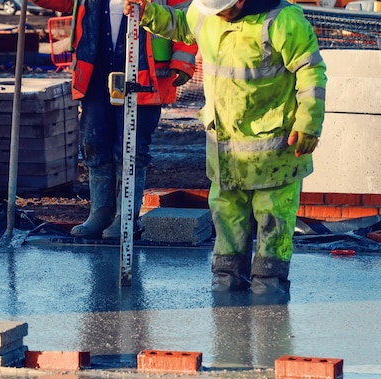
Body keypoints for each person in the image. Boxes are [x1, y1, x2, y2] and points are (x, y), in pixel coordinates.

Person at [124, 0, 327, 295]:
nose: (216, 14)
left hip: (274, 151)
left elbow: (310, 72)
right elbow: (182, 26)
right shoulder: (208, 12)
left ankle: (269, 287)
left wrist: (308, 123)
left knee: (273, 221)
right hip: (226, 150)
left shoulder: (282, 21)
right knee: (227, 218)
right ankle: (226, 281)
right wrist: (149, 13)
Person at [31, 0, 198, 240]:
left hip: (142, 75)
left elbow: (186, 18)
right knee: (94, 143)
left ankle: (126, 216)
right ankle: (100, 213)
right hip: (95, 71)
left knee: (131, 149)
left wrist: (182, 61)